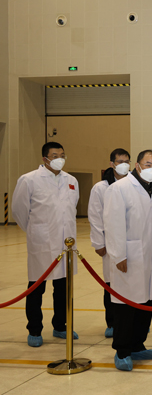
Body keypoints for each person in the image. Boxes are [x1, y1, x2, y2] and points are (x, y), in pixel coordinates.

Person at [103, 149, 152, 371]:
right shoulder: (119, 188)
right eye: (148, 164)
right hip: (129, 256)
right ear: (137, 165)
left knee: (146, 302)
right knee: (126, 305)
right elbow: (113, 224)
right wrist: (118, 254)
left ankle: (138, 345)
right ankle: (122, 350)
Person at [12, 142, 80, 347]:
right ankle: (34, 329)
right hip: (41, 243)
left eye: (62, 155)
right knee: (36, 288)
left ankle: (60, 325)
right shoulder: (29, 180)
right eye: (55, 155)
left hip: (66, 245)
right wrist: (36, 231)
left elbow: (72, 208)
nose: (60, 159)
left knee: (63, 289)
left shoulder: (71, 180)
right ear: (45, 159)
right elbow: (19, 211)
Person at [88, 148, 131, 338]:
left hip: (133, 242)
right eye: (120, 161)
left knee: (133, 284)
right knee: (111, 284)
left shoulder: (135, 184)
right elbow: (95, 216)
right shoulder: (101, 188)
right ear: (112, 164)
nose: (124, 165)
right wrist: (99, 242)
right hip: (111, 243)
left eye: (127, 161)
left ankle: (135, 322)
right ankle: (112, 323)